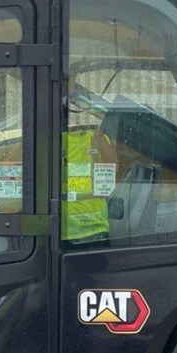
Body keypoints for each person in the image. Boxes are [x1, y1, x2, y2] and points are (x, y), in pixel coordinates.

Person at [63, 77, 118, 244]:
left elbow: (112, 173)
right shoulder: (53, 139)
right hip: (62, 230)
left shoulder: (96, 138)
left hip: (93, 230)